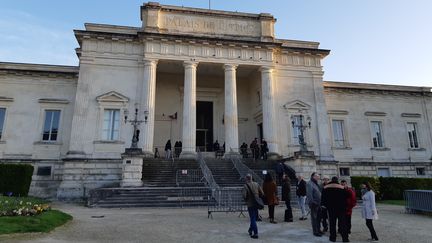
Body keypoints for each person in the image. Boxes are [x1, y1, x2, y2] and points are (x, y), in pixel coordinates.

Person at [321, 176, 349, 242]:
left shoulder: (326, 187)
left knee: (332, 224)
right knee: (342, 224)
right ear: (337, 180)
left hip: (331, 208)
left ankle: (332, 238)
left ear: (331, 180)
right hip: (341, 208)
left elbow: (323, 198)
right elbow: (346, 198)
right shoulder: (342, 187)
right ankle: (345, 239)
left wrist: (324, 205)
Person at [242, 174, 264, 239]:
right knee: (254, 217)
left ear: (246, 179)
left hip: (250, 203)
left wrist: (246, 200)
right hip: (256, 203)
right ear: (251, 178)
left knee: (252, 218)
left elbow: (244, 195)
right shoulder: (256, 184)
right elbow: (262, 193)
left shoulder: (245, 186)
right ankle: (250, 230)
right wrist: (257, 196)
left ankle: (256, 233)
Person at [307, 172, 322, 237]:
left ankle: (318, 229)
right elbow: (309, 195)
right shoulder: (309, 183)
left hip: (319, 204)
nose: (318, 177)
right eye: (317, 176)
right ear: (313, 176)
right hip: (314, 204)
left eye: (318, 176)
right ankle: (315, 231)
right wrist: (312, 203)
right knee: (314, 218)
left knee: (318, 218)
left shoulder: (316, 183)